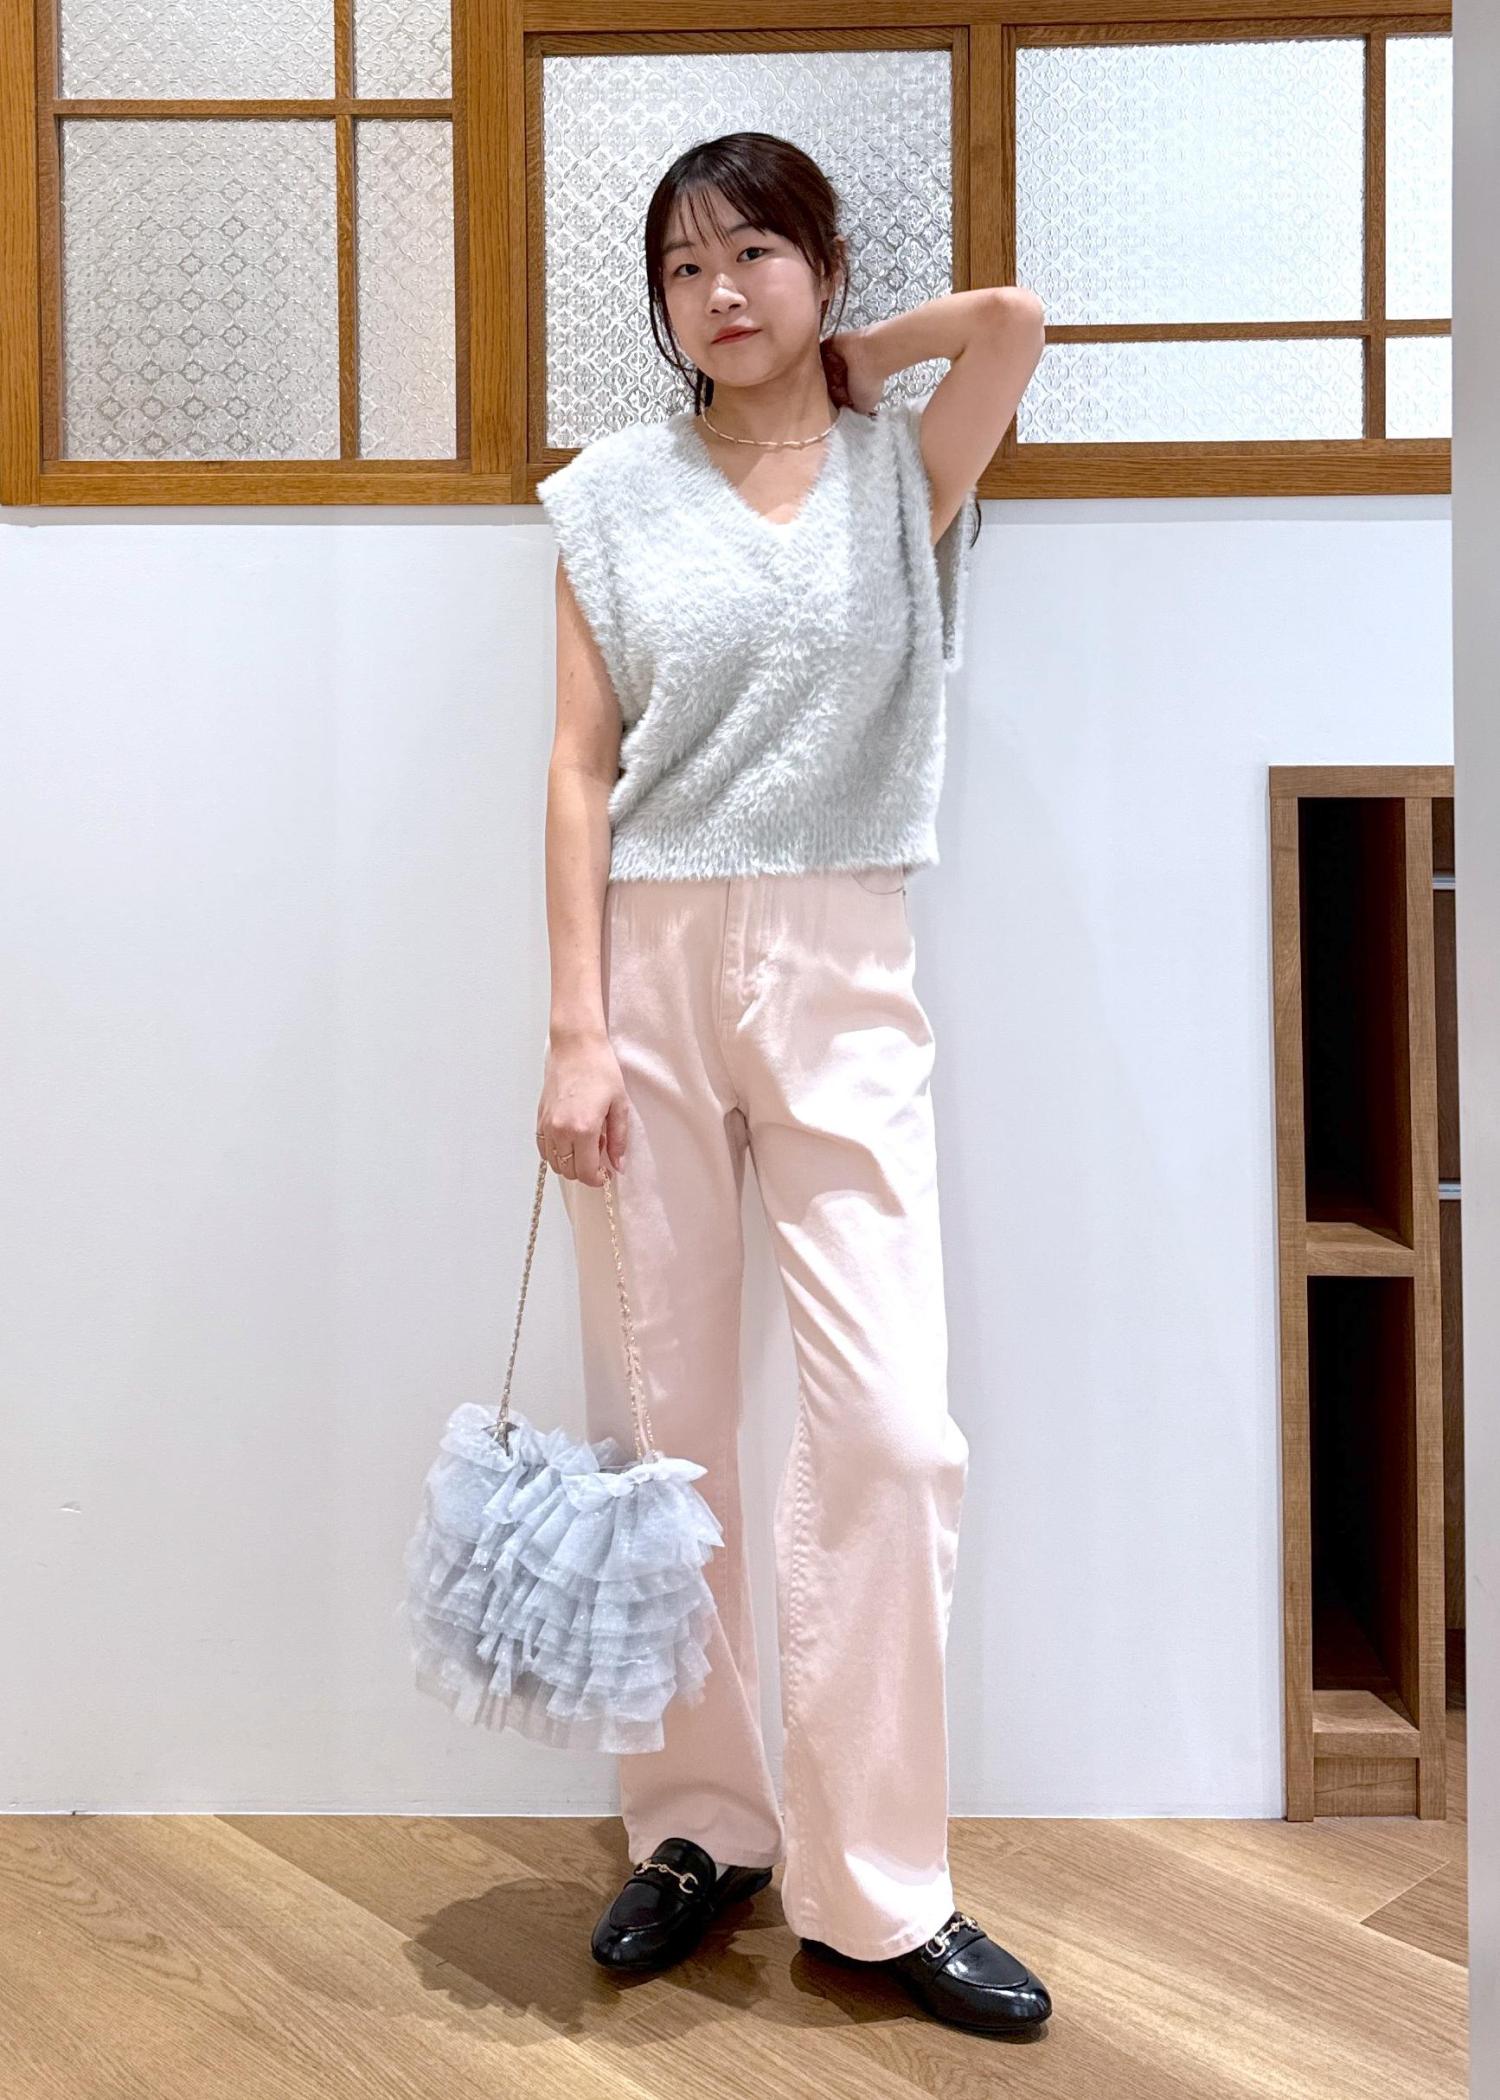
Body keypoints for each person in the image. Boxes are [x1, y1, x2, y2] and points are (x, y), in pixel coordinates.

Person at [534, 130, 1048, 2037]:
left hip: (845, 961)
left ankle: (880, 1889)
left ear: (822, 266)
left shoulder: (900, 474)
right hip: (648, 967)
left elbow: (1013, 323)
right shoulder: (609, 496)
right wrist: (576, 1027)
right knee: (662, 1428)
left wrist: (844, 361)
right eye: (683, 269)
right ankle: (699, 1827)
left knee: (894, 1434)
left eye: (754, 250)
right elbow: (579, 765)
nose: (719, 291)